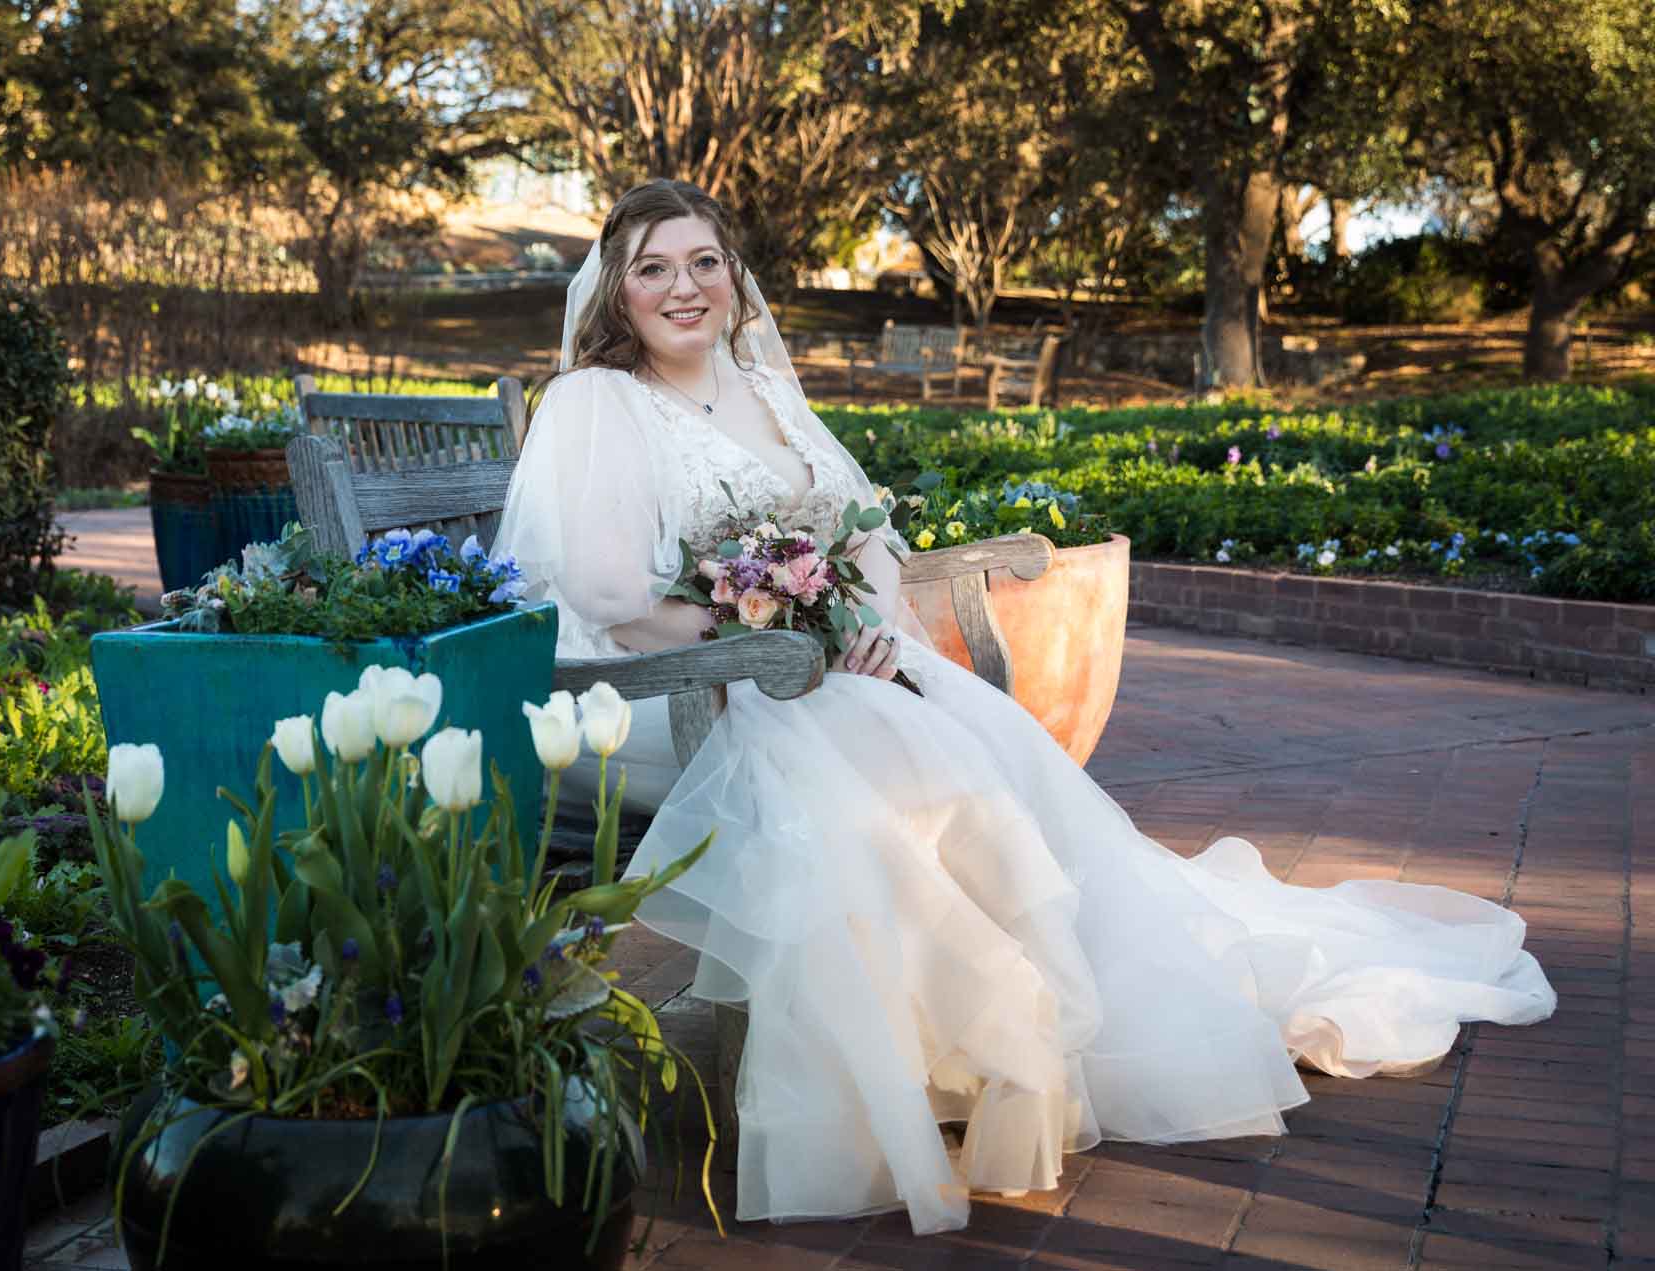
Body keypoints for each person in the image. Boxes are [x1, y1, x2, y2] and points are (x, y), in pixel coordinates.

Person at [489, 179, 1554, 1236]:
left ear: (734, 274)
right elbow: (610, 598)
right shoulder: (597, 399)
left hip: (804, 667)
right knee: (900, 763)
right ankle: (970, 1051)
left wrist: (863, 623)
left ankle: (994, 1049)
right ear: (616, 292)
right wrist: (765, 640)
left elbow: (858, 532)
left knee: (972, 746)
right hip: (659, 698)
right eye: (653, 268)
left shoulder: (762, 386)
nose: (685, 288)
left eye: (703, 262)